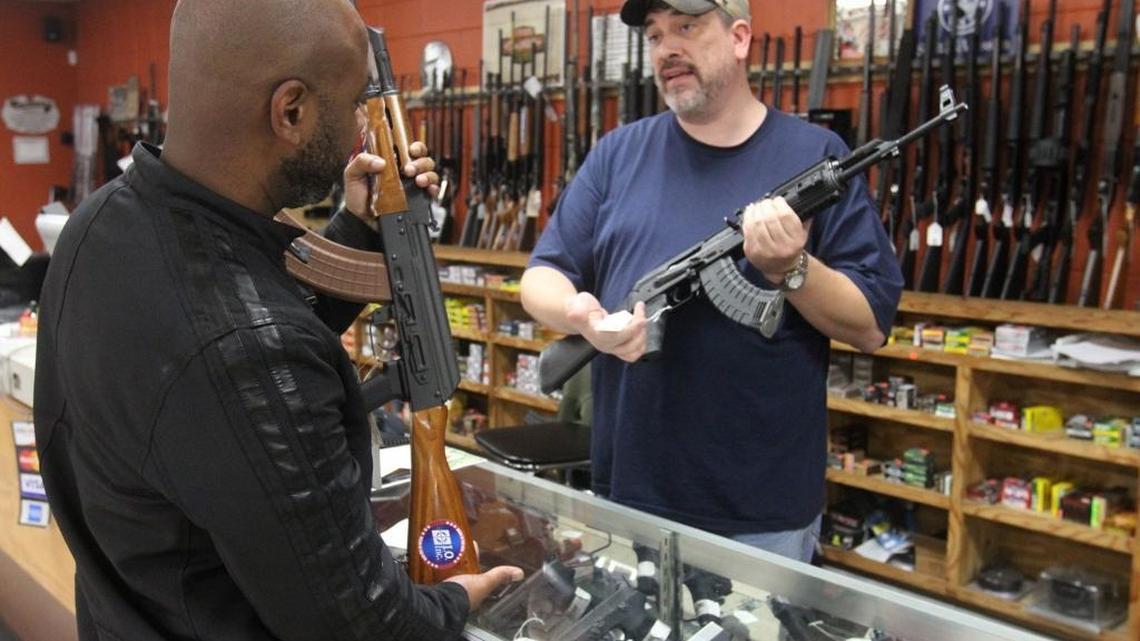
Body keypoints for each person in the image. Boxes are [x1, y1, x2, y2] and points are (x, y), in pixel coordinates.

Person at [33, 1, 520, 640]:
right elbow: (359, 627)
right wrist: (455, 601)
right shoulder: (245, 351)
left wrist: (358, 228)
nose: (356, 131)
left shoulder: (97, 225)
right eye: (350, 107)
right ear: (289, 112)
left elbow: (231, 363)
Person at [520, 0, 903, 563]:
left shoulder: (817, 157)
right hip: (630, 493)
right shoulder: (617, 154)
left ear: (740, 38)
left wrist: (791, 269)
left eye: (687, 27)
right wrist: (583, 318)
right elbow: (541, 276)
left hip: (761, 512)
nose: (667, 47)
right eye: (654, 36)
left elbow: (871, 325)